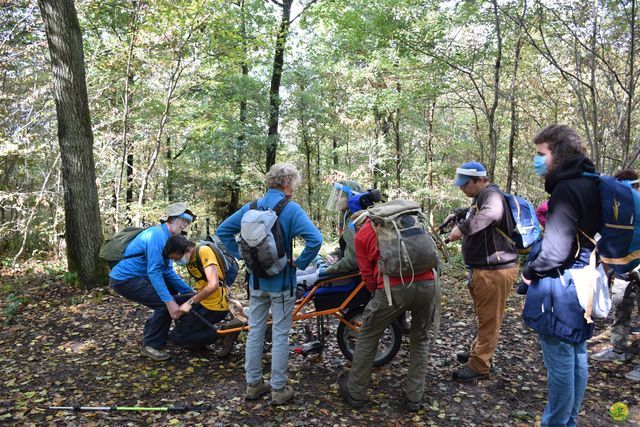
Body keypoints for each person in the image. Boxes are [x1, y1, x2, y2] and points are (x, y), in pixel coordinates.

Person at [216, 162, 323, 405]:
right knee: (280, 333)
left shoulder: (251, 207)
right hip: (282, 282)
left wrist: (242, 256)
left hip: (256, 282)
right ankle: (278, 388)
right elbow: (315, 239)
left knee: (255, 331)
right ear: (288, 184)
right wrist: (299, 262)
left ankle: (253, 385)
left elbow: (223, 231)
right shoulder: (291, 209)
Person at [521, 124, 601, 425]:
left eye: (541, 153)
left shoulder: (566, 189)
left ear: (558, 153)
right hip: (584, 280)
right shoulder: (590, 181)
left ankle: (556, 422)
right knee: (577, 350)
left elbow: (556, 250)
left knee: (560, 357)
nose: (537, 159)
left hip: (561, 285)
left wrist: (531, 271)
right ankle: (568, 421)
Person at [339, 206, 439, 412]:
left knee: (368, 335)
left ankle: (355, 392)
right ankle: (414, 397)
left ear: (358, 225)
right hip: (429, 284)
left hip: (392, 289)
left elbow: (367, 275)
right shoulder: (406, 222)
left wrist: (378, 297)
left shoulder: (362, 235)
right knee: (420, 339)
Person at [446, 161, 520, 381]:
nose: (462, 188)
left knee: (489, 319)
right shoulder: (480, 198)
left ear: (480, 180)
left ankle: (479, 365)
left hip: (495, 271)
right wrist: (459, 216)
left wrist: (462, 229)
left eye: (465, 183)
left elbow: (491, 214)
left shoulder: (491, 195)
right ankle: (478, 353)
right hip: (484, 269)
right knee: (484, 316)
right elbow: (478, 215)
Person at [109, 202, 196, 361]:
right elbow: (154, 271)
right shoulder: (156, 236)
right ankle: (151, 345)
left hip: (139, 277)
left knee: (171, 295)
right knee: (164, 304)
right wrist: (169, 301)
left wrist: (190, 292)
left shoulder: (167, 238)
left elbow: (167, 271)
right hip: (124, 279)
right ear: (170, 219)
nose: (185, 224)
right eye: (182, 219)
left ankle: (158, 335)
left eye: (187, 221)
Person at [591, 168, 640, 381]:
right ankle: (617, 348)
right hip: (624, 272)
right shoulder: (619, 210)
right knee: (621, 309)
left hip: (635, 269)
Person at [163, 235, 238, 357]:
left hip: (215, 306)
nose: (177, 262)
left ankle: (223, 333)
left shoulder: (203, 251)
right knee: (171, 302)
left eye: (177, 258)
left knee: (177, 337)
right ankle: (199, 339)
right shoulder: (190, 258)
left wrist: (189, 303)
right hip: (203, 300)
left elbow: (213, 284)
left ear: (184, 250)